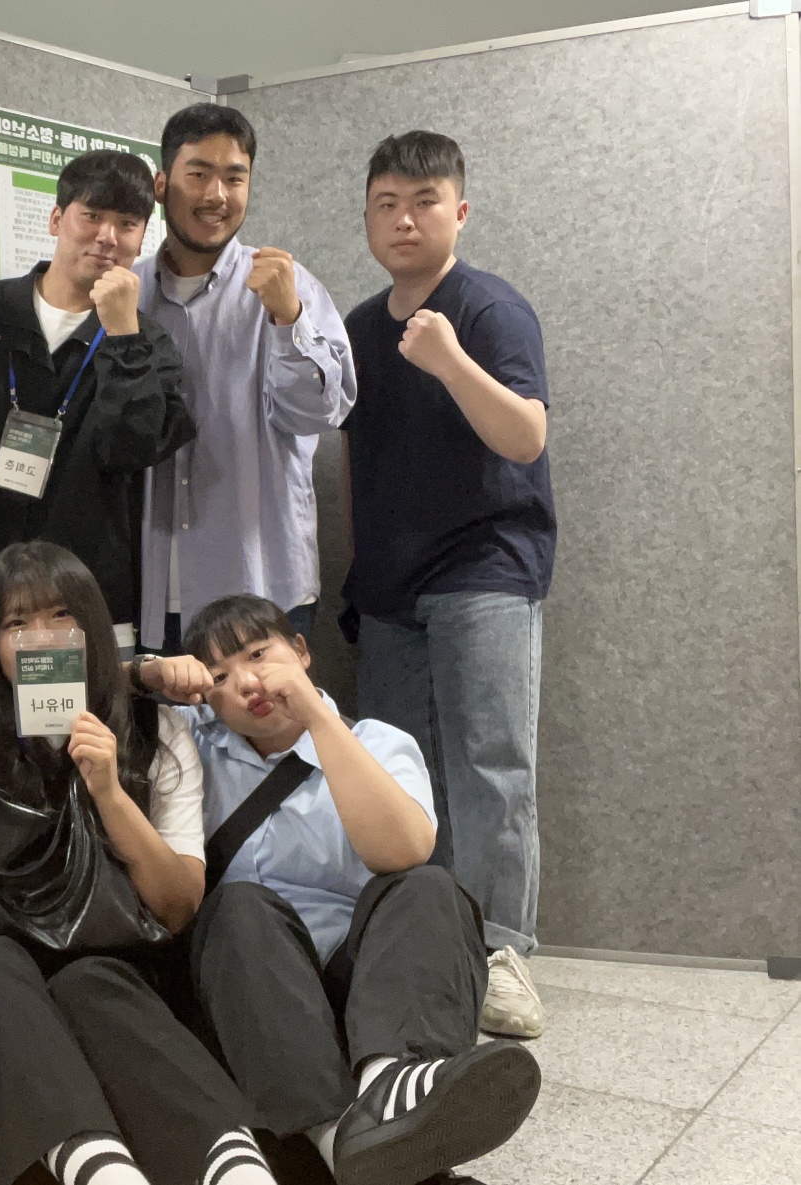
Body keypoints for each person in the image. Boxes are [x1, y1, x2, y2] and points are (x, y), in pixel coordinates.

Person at [0, 542, 282, 1185]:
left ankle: (235, 1168)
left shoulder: (155, 730)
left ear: (92, 627)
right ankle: (103, 1172)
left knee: (92, 981)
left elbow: (178, 906)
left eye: (62, 615)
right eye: (16, 623)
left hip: (112, 956)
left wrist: (110, 793)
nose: (42, 637)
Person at [135, 594, 541, 1185]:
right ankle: (345, 1136)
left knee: (429, 888)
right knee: (239, 905)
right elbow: (87, 698)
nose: (247, 682)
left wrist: (317, 720)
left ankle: (390, 1083)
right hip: (252, 990)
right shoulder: (193, 741)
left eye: (259, 654)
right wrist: (145, 673)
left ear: (302, 651)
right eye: (219, 676)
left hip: (370, 990)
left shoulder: (377, 741)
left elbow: (402, 851)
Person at [341, 131, 555, 1038]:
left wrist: (448, 359)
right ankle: (424, 947)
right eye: (386, 203)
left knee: (490, 766)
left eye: (424, 201)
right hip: (390, 586)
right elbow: (353, 466)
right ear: (366, 217)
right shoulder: (357, 327)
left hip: (485, 571)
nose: (404, 219)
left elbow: (525, 436)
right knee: (397, 773)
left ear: (458, 212)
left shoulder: (490, 309)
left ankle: (500, 953)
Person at [0, 151, 195, 661]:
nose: (107, 236)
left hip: (89, 608)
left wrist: (123, 336)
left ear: (143, 239)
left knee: (91, 720)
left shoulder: (149, 342)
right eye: (91, 215)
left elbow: (130, 449)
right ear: (56, 219)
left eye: (127, 224)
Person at [135, 104, 355, 654]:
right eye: (198, 174)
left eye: (235, 178)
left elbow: (320, 413)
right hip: (146, 590)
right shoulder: (127, 292)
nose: (217, 195)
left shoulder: (287, 285)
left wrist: (288, 318)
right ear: (161, 185)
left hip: (261, 584)